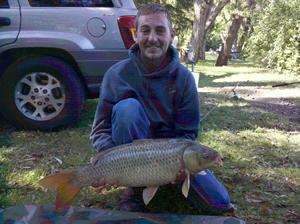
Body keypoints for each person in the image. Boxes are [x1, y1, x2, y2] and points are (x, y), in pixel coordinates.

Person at [90, 3, 232, 215]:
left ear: (172, 35)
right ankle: (136, 191)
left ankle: (165, 185)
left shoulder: (184, 78)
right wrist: (107, 162)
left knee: (219, 203)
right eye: (145, 30)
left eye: (160, 30)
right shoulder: (116, 75)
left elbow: (187, 133)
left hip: (171, 157)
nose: (153, 38)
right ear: (135, 34)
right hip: (131, 158)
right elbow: (101, 129)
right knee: (127, 109)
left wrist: (182, 168)